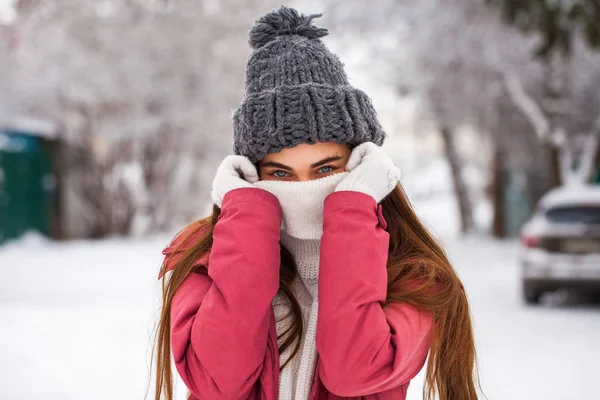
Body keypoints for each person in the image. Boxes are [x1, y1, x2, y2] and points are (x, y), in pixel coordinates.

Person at [153, 5, 479, 400]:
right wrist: (245, 213)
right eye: (280, 173)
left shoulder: (409, 276)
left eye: (325, 170)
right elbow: (220, 380)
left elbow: (355, 372)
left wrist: (353, 209)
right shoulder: (201, 260)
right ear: (250, 175)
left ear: (361, 166)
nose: (303, 189)